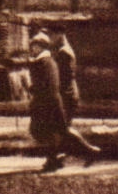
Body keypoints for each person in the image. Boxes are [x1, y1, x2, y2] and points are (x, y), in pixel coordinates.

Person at [27, 29, 100, 172]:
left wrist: (44, 94)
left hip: (63, 96)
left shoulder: (61, 54)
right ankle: (55, 159)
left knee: (59, 129)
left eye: (52, 34)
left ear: (60, 34)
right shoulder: (57, 54)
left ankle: (85, 152)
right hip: (59, 96)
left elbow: (59, 80)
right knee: (55, 129)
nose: (51, 37)